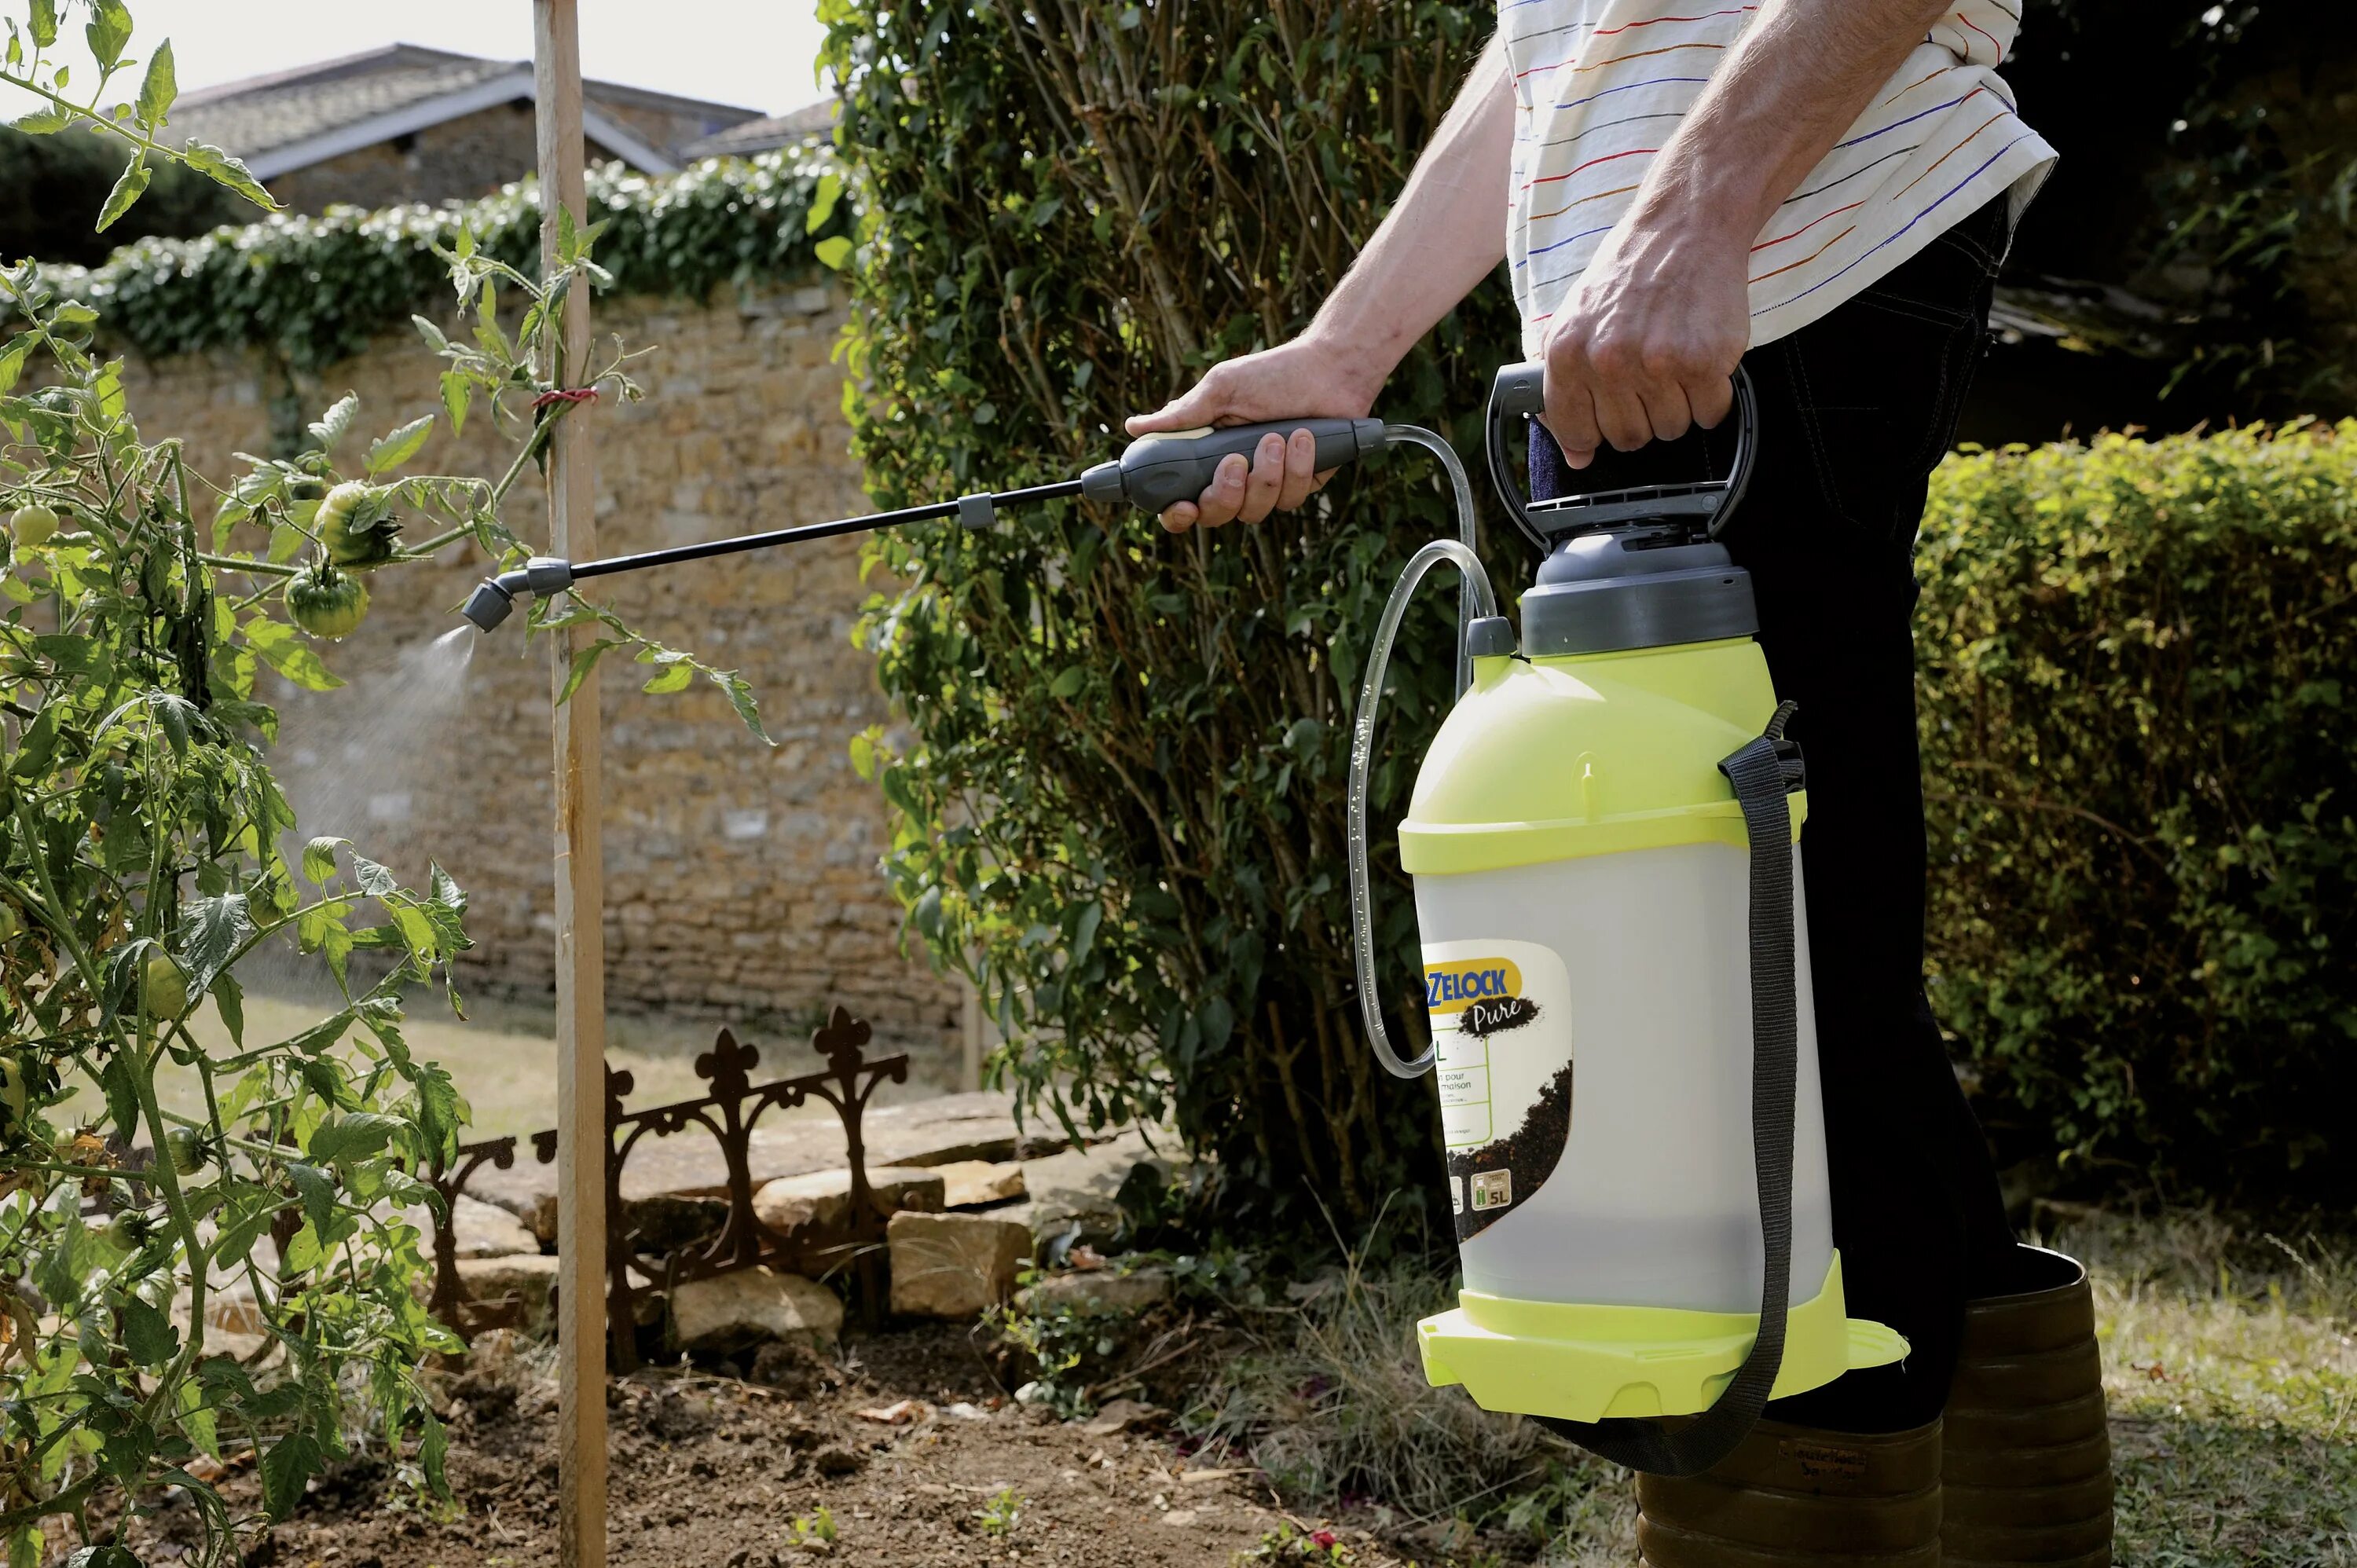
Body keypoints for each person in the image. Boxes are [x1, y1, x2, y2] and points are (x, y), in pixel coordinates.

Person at [1131, 3, 2113, 1562]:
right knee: (1804, 975)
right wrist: (1347, 346)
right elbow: (1565, 34)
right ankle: (2014, 1508)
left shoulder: (1710, 244)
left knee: (1770, 1012)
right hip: (1640, 320)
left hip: (1768, 271)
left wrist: (1697, 209)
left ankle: (1846, 1465)